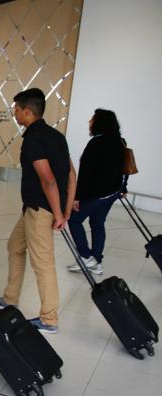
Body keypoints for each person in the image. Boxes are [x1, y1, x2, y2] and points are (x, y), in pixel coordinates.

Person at [0, 88, 77, 334]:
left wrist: (59, 215)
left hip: (40, 211)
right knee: (15, 246)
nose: (15, 114)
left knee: (43, 264)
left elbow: (48, 180)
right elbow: (71, 174)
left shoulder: (34, 140)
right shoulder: (57, 136)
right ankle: (10, 298)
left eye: (17, 110)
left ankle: (49, 318)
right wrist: (67, 210)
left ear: (28, 111)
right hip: (33, 210)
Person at [67, 109, 127, 275]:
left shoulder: (96, 143)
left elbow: (86, 173)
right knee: (98, 223)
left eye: (92, 119)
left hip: (96, 193)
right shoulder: (119, 141)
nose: (89, 122)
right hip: (112, 192)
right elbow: (124, 168)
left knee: (74, 219)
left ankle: (87, 257)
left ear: (100, 122)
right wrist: (124, 187)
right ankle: (96, 261)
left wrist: (76, 197)